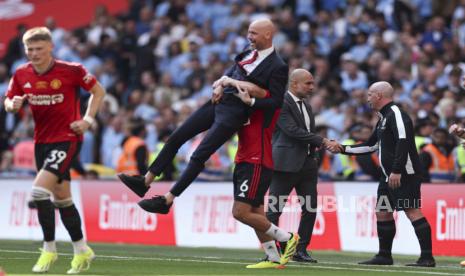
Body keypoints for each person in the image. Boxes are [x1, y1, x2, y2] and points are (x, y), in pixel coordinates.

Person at [118, 18, 288, 214]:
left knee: (199, 155)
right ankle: (145, 181)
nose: (249, 37)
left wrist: (250, 102)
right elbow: (230, 73)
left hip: (235, 113)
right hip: (219, 102)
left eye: (253, 33)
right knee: (176, 137)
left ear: (268, 35)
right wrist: (218, 85)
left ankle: (167, 200)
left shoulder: (278, 66)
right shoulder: (248, 53)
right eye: (249, 32)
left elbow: (276, 101)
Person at [4, 27, 105, 274]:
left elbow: (98, 92)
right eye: (30, 49)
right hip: (42, 141)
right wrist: (11, 104)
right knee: (62, 198)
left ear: (51, 47)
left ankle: (49, 250)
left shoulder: (71, 70)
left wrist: (87, 121)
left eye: (39, 49)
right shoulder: (20, 73)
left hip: (68, 137)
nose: (35, 54)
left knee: (39, 192)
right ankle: (82, 250)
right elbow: (8, 101)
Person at [332, 81, 435, 267]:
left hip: (404, 174)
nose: (368, 98)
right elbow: (370, 146)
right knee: (383, 212)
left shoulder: (396, 114)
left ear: (379, 95)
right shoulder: (383, 118)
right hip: (388, 176)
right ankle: (384, 255)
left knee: (412, 211)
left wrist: (397, 170)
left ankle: (427, 258)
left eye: (370, 94)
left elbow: (403, 142)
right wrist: (342, 148)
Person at [265, 69, 339, 263]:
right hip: (285, 164)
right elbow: (291, 130)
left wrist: (314, 154)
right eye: (308, 83)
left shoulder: (306, 105)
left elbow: (306, 132)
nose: (312, 87)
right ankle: (274, 249)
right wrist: (323, 141)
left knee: (310, 208)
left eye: (312, 83)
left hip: (307, 165)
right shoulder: (281, 103)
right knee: (274, 209)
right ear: (294, 83)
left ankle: (300, 249)